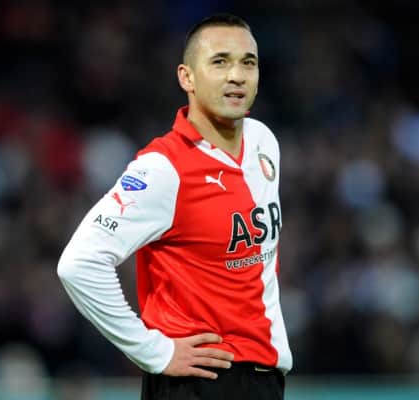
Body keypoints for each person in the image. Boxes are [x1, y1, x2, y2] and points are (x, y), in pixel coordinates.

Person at [57, 13, 292, 400]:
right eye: (220, 62)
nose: (237, 75)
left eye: (248, 63)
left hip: (262, 379)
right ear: (187, 77)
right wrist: (154, 351)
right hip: (199, 381)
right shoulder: (163, 168)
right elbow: (79, 264)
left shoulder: (263, 142)